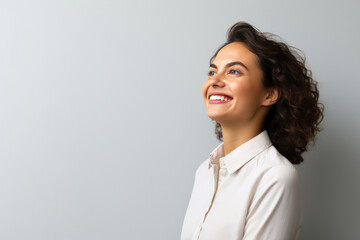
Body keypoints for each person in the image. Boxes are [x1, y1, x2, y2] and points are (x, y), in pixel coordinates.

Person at [180, 22, 324, 240]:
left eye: (234, 71)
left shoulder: (276, 177)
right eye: (212, 71)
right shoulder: (204, 172)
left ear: (270, 95)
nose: (214, 81)